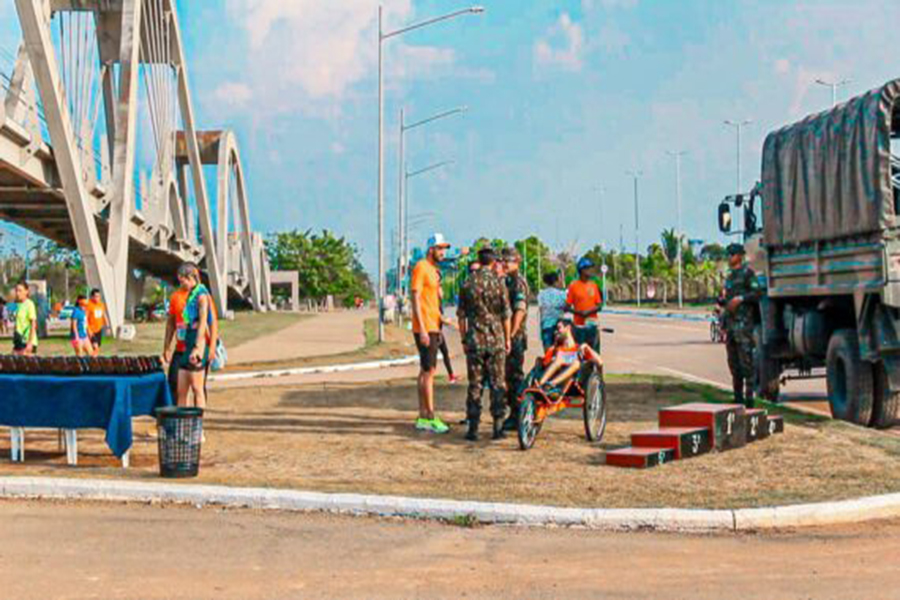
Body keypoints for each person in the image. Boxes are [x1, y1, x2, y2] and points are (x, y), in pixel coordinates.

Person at [457, 247, 512, 441]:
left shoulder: (468, 283)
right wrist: (507, 339)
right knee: (498, 383)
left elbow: (461, 316)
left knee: (475, 384)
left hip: (475, 340)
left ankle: (473, 428)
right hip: (496, 340)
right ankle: (498, 427)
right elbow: (506, 314)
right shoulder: (499, 283)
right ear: (493, 261)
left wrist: (464, 339)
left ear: (479, 261)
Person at [410, 233, 452, 434]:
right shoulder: (421, 267)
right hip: (425, 327)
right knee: (429, 373)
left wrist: (442, 321)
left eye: (444, 249)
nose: (443, 252)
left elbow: (431, 302)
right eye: (440, 248)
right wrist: (424, 329)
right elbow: (416, 299)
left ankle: (422, 415)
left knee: (425, 371)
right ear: (431, 250)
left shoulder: (433, 271)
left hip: (433, 325)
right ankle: (430, 415)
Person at [721, 243, 761, 408]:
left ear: (739, 256)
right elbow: (724, 302)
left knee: (747, 365)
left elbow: (757, 293)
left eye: (732, 255)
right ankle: (737, 398)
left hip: (743, 327)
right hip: (731, 327)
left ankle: (749, 399)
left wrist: (741, 299)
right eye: (728, 255)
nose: (730, 258)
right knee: (734, 365)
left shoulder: (747, 274)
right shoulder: (729, 277)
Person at [174, 263, 213, 409]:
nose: (181, 284)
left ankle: (198, 429)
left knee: (197, 389)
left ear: (190, 277)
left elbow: (203, 322)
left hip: (198, 343)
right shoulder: (191, 294)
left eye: (182, 280)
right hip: (187, 342)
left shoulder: (202, 295)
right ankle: (183, 426)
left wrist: (198, 348)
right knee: (181, 390)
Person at [502, 247, 530, 431]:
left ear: (517, 263)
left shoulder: (518, 282)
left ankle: (519, 414)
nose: (505, 263)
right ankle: (513, 413)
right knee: (508, 377)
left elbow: (519, 311)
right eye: (503, 260)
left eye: (509, 261)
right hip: (509, 337)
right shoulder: (506, 280)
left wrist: (510, 336)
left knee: (515, 377)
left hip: (516, 337)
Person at [537, 318, 603, 393]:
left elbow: (600, 362)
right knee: (559, 359)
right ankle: (540, 385)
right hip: (554, 377)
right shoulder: (555, 349)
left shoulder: (580, 348)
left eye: (559, 328)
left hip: (574, 383)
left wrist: (587, 347)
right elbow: (544, 365)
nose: (556, 332)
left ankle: (551, 384)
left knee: (576, 363)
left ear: (568, 328)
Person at [163, 281, 190, 398]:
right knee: (173, 382)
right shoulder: (176, 297)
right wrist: (166, 347)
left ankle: (195, 415)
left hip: (196, 349)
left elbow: (210, 323)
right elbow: (171, 323)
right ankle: (176, 414)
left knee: (196, 386)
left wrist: (211, 346)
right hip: (180, 349)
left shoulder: (201, 296)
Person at [566, 257, 603, 328]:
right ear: (582, 270)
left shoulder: (594, 285)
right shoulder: (573, 286)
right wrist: (579, 313)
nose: (591, 270)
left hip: (592, 323)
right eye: (589, 268)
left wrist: (588, 312)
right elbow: (567, 307)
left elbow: (599, 306)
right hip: (578, 325)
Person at [538, 271, 568, 351]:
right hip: (559, 326)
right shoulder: (562, 294)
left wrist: (541, 325)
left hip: (546, 325)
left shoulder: (541, 294)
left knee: (548, 350)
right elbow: (566, 307)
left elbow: (541, 310)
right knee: (560, 349)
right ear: (556, 281)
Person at [12, 282, 37, 355]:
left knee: (25, 364)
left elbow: (33, 324)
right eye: (16, 290)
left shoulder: (29, 304)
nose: (17, 293)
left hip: (27, 341)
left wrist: (30, 342)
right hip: (18, 340)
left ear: (26, 291)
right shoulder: (18, 305)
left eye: (20, 291)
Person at [86, 288, 109, 356]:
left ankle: (91, 361)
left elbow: (104, 315)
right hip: (91, 330)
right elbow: (85, 319)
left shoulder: (101, 305)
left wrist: (107, 327)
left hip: (99, 329)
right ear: (92, 297)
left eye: (99, 296)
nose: (98, 298)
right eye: (96, 296)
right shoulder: (89, 305)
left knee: (96, 348)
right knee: (95, 347)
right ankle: (92, 362)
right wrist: (88, 330)